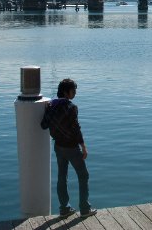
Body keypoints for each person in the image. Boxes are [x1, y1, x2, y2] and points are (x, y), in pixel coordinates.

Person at [44, 78, 96, 218]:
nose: (75, 93)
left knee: (62, 177)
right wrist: (83, 147)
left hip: (58, 147)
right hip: (72, 148)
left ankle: (64, 209)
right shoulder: (71, 107)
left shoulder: (51, 106)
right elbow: (76, 129)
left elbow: (44, 125)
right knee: (83, 175)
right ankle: (85, 209)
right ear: (66, 92)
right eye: (73, 91)